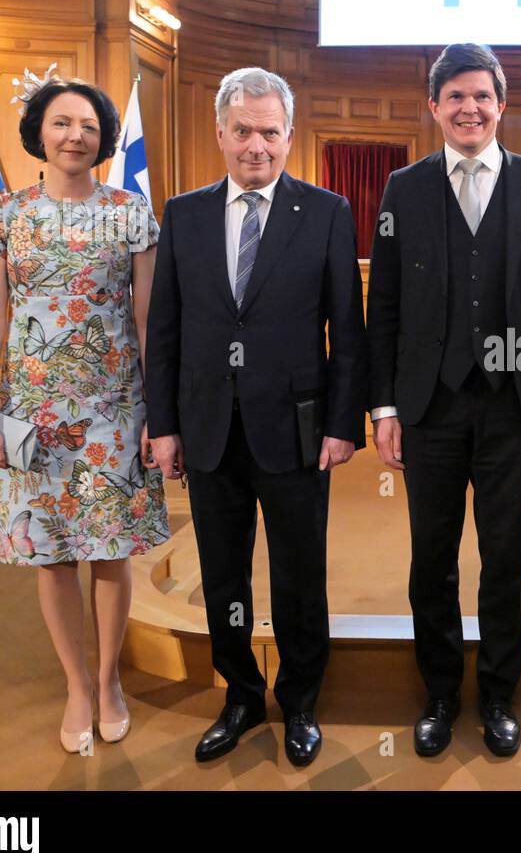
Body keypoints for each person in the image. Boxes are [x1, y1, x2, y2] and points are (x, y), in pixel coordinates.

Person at [145, 67, 367, 768]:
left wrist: (341, 423)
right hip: (207, 427)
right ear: (220, 132)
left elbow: (347, 331)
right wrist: (163, 425)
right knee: (223, 576)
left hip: (298, 430)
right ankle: (240, 695)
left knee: (299, 573)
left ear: (289, 136)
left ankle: (300, 698)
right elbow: (165, 331)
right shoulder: (182, 215)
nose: (256, 146)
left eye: (270, 132)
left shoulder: (327, 212)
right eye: (242, 131)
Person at [366, 43, 521, 758]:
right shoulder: (404, 188)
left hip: (510, 408)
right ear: (434, 107)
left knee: (505, 557)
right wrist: (385, 407)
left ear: (501, 103)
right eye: (455, 96)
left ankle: (497, 693)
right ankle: (436, 691)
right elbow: (386, 304)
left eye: (481, 96)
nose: (469, 108)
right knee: (431, 557)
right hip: (426, 406)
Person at [0, 74, 170, 753]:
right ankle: (76, 686)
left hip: (115, 406)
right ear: (39, 133)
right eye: (61, 123)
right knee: (50, 555)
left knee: (111, 554)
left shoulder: (133, 214)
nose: (75, 135)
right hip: (29, 414)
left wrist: (157, 411)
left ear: (102, 136)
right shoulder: (4, 216)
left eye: (87, 124)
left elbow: (147, 321)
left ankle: (110, 680)